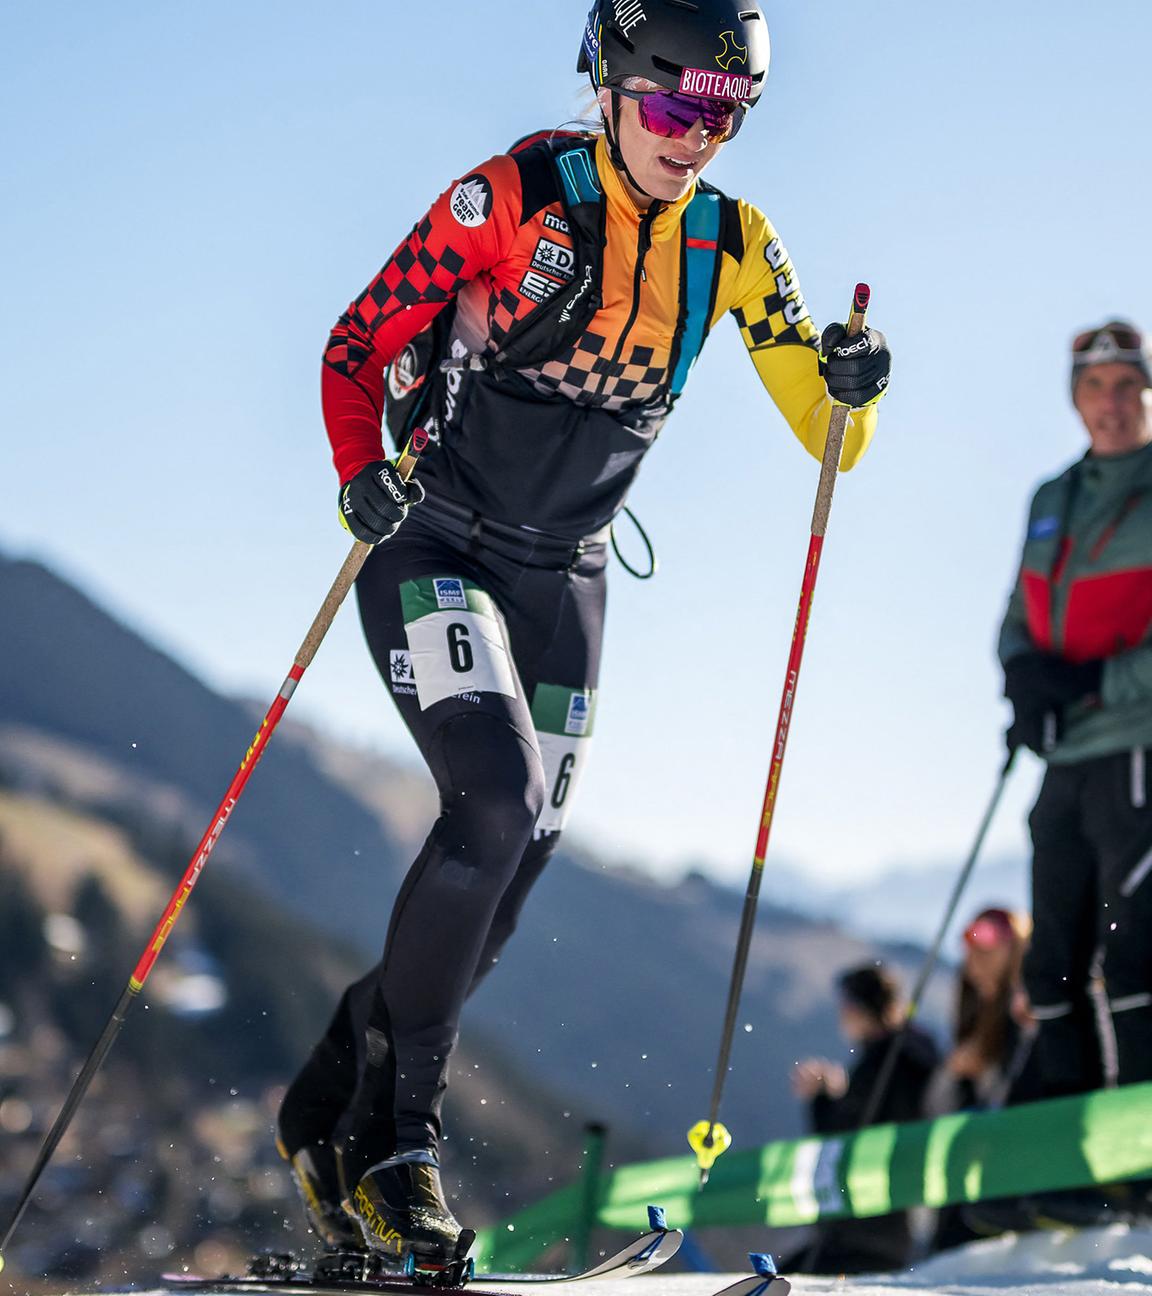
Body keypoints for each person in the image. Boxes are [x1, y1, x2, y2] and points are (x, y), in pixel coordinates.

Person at [277, 0, 892, 1267]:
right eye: (677, 105)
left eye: (727, 115)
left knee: (519, 866)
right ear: (613, 80)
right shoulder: (513, 196)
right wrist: (358, 474)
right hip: (436, 542)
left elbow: (829, 438)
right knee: (489, 808)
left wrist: (848, 386)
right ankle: (399, 1144)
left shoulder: (734, 241)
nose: (698, 139)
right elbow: (355, 342)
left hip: (568, 576)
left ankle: (335, 1101)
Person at [999, 321, 1152, 1104]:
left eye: (1127, 384)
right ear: (1076, 401)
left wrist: (1091, 681)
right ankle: (1073, 1158)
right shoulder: (1052, 498)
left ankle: (1142, 1160)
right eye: (1095, 388)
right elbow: (1021, 615)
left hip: (1138, 746)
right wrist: (1024, 683)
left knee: (1136, 957)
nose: (1112, 403)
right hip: (1066, 757)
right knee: (1049, 965)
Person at [787, 965, 937, 1274]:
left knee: (788, 1279)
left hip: (863, 1223)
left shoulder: (885, 1061)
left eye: (845, 1006)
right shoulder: (912, 1053)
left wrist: (822, 1096)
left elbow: (841, 1136)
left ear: (859, 1008)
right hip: (891, 1222)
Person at [923, 907, 1036, 1251]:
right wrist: (954, 1073)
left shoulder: (1030, 1011)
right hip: (968, 1182)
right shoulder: (972, 1020)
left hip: (1014, 1173)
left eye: (988, 953)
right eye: (972, 955)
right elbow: (934, 1108)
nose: (976, 964)